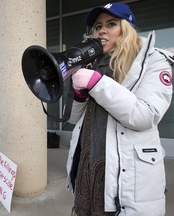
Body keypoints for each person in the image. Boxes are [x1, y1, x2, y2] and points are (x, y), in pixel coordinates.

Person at [66, 2, 173, 216]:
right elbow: (73, 119)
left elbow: (145, 115)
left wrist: (97, 84)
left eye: (111, 24)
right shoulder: (92, 64)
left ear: (126, 29)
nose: (102, 30)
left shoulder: (154, 62)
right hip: (88, 164)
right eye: (98, 26)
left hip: (125, 172)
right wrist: (78, 96)